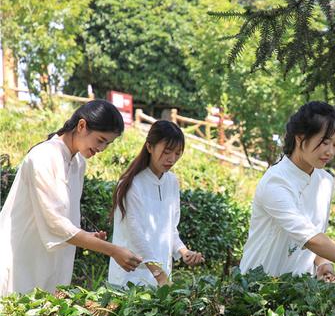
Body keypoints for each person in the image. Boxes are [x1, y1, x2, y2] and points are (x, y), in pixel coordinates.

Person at [239, 101, 335, 290]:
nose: (330, 151)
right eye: (325, 142)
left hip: (299, 293)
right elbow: (310, 238)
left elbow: (316, 233)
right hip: (255, 291)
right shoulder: (276, 182)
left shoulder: (325, 181)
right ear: (300, 137)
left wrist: (322, 262)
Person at [0, 100, 142, 296]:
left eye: (108, 144)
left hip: (50, 262)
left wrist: (87, 237)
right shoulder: (43, 156)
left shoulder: (78, 163)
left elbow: (66, 221)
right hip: (19, 260)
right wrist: (112, 250)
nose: (102, 149)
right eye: (100, 140)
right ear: (81, 126)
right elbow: (56, 224)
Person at [108, 120, 204, 288]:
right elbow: (135, 234)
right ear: (149, 147)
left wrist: (184, 252)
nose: (172, 159)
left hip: (161, 278)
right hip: (130, 278)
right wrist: (159, 274)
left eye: (177, 153)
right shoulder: (132, 183)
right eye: (167, 151)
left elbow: (170, 229)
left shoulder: (172, 182)